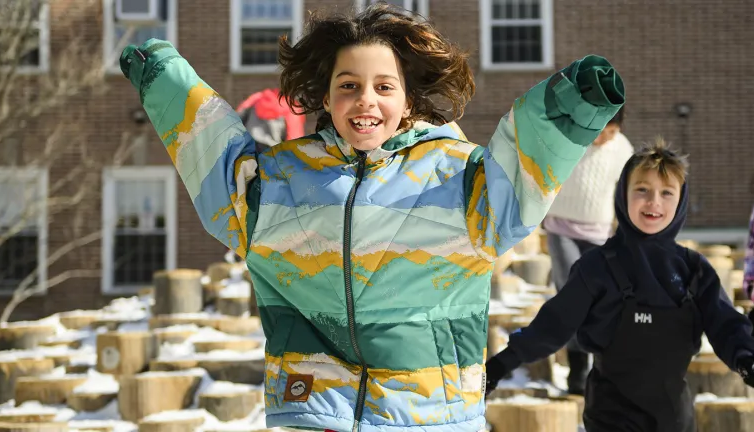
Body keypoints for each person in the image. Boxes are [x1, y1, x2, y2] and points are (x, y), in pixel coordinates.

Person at [118, 4, 624, 431]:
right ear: (325, 97)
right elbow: (217, 165)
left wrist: (573, 104)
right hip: (313, 405)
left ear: (407, 102)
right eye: (349, 85)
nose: (366, 100)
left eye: (385, 86)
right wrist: (163, 78)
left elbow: (521, 171)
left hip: (424, 411)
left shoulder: (458, 179)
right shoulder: (283, 180)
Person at [485, 138, 754, 432]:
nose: (654, 202)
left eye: (667, 192)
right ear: (622, 194)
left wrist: (746, 358)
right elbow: (553, 324)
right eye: (642, 190)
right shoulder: (597, 266)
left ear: (681, 200)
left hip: (674, 419)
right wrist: (501, 365)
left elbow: (725, 323)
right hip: (610, 416)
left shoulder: (693, 269)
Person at [542, 107, 633, 394]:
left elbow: (628, 190)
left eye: (612, 132)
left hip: (599, 234)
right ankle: (578, 369)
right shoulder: (569, 140)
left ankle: (601, 367)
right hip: (561, 229)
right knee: (573, 297)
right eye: (601, 130)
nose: (605, 138)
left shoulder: (622, 149)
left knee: (601, 301)